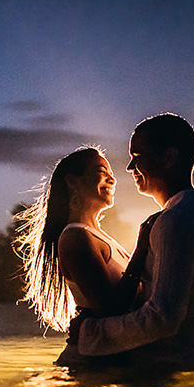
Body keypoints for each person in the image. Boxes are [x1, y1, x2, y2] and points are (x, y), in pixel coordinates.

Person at [69, 113, 194, 368]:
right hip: (187, 366)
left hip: (165, 373)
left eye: (137, 157)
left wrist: (90, 332)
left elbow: (163, 317)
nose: (130, 168)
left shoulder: (175, 220)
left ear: (168, 158)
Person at [14, 146, 157, 367]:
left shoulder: (99, 237)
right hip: (87, 366)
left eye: (111, 173)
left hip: (107, 362)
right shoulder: (75, 237)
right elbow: (111, 308)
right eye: (102, 171)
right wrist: (142, 246)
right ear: (73, 182)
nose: (112, 179)